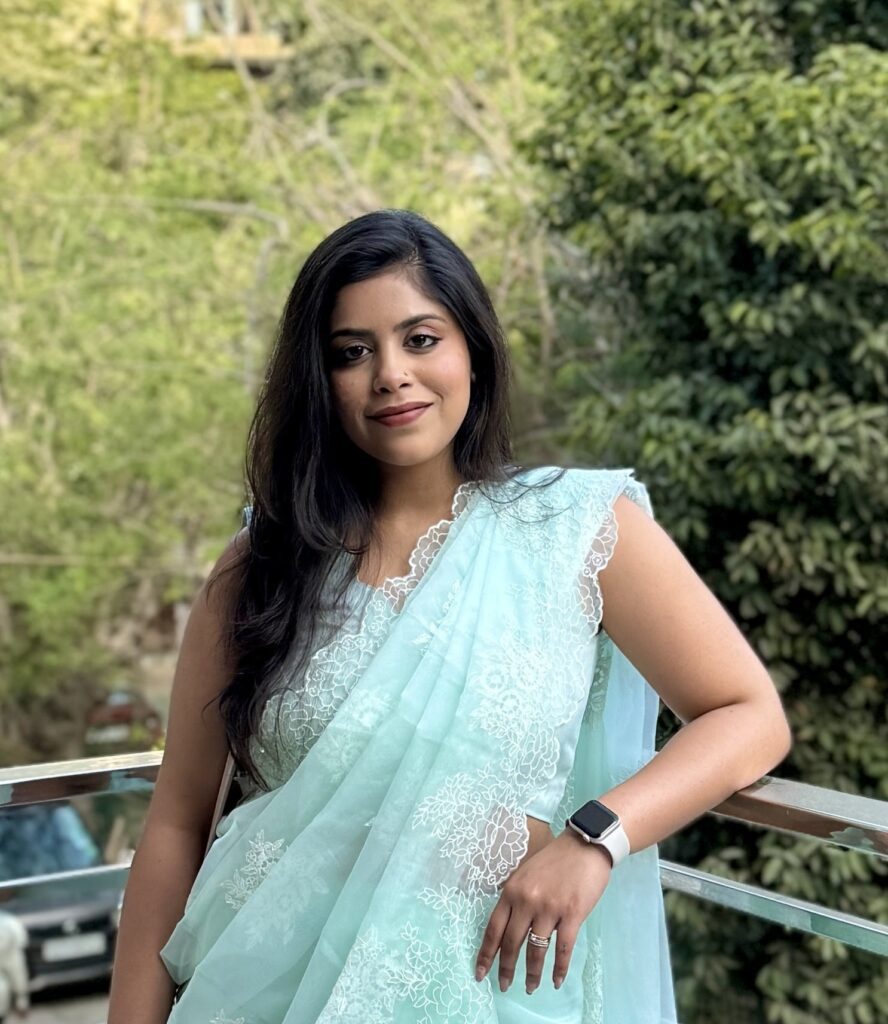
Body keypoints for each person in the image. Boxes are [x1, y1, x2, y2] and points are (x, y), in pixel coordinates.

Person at [107, 208, 793, 1023]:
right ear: (319, 382)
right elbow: (177, 823)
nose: (391, 374)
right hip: (257, 994)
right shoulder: (264, 564)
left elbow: (748, 716)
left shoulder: (575, 529)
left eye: (421, 339)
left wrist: (596, 838)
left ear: (473, 348)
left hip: (483, 993)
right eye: (352, 352)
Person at [0, 909, 29, 1022]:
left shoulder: (7, 919)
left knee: (19, 978)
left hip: (11, 951)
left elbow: (21, 939)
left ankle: (21, 1003)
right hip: (9, 951)